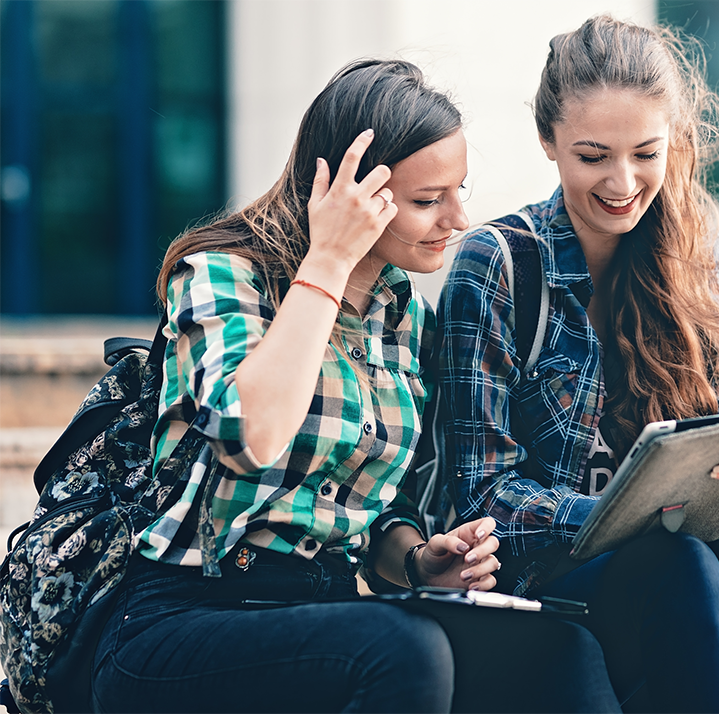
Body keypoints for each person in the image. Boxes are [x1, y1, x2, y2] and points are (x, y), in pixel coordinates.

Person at [91, 59, 618, 714]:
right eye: (428, 201)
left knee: (562, 648)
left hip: (330, 610)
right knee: (402, 647)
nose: (458, 218)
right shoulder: (221, 275)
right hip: (183, 615)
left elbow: (383, 515)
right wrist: (330, 260)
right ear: (348, 196)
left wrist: (421, 561)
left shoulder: (403, 316)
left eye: (458, 190)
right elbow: (249, 435)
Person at [438, 16, 719, 714]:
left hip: (681, 554)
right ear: (548, 142)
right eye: (593, 156)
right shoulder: (497, 265)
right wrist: (619, 516)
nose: (623, 182)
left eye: (646, 153)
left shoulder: (693, 245)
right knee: (678, 558)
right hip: (558, 584)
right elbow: (482, 495)